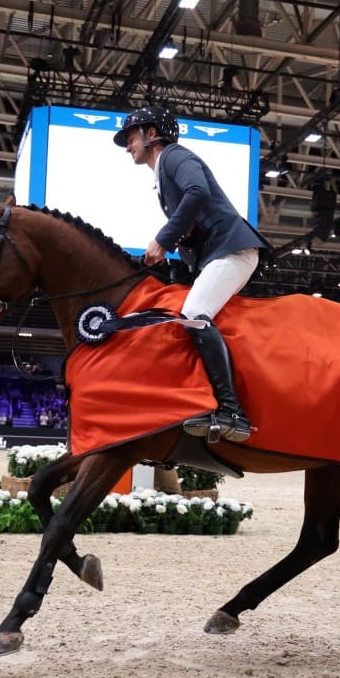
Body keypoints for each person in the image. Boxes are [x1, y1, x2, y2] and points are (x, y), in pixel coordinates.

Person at [114, 105, 271, 443]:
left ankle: (232, 412)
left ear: (151, 134)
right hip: (217, 254)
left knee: (194, 315)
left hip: (232, 249)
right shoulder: (162, 173)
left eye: (130, 138)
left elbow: (197, 193)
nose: (128, 146)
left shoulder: (173, 156)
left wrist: (163, 239)